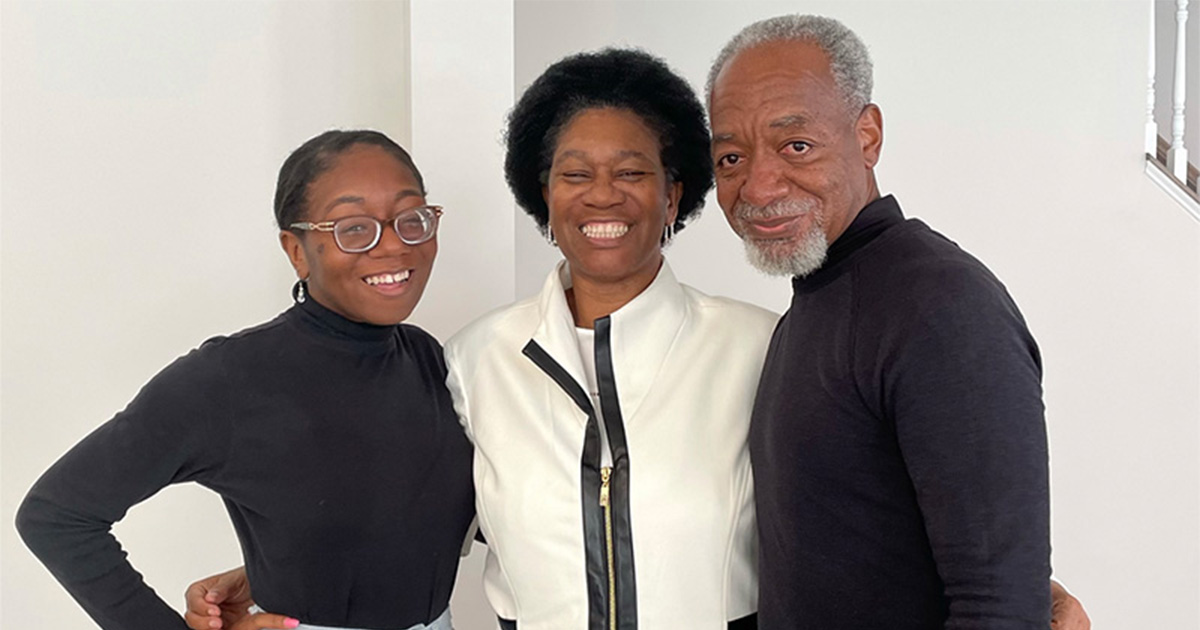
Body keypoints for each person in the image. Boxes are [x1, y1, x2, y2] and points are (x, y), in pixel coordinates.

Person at [706, 14, 1084, 629]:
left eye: (795, 145)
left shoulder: (939, 305)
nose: (759, 183)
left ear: (868, 135)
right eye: (730, 157)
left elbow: (999, 606)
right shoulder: (815, 306)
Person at [16, 130, 475, 630]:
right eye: (353, 228)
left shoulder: (426, 357)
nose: (393, 246)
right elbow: (55, 515)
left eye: (412, 219)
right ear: (297, 250)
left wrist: (279, 572)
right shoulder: (229, 380)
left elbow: (407, 519)